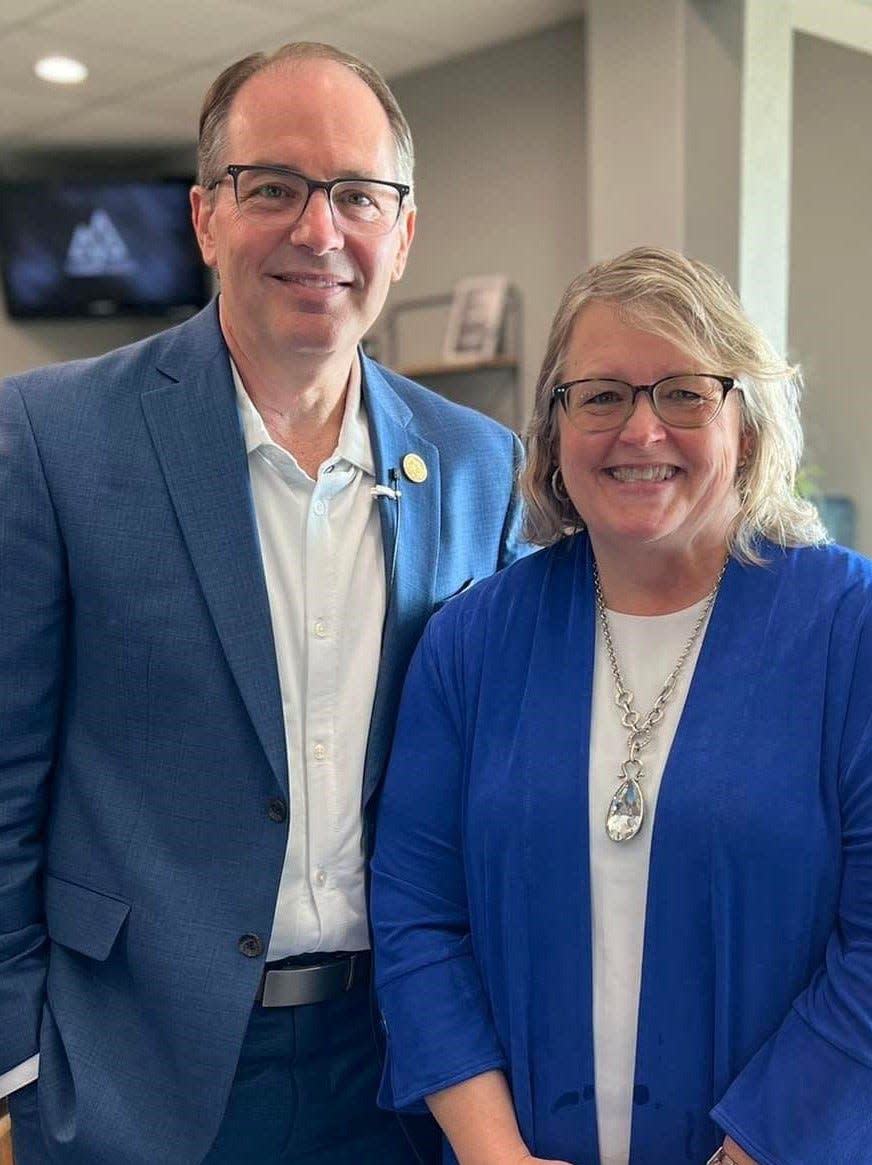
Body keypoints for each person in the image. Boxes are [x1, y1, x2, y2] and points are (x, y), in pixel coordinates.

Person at [0, 41, 526, 1165]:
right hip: (130, 1073)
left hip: (395, 1069)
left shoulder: (480, 467)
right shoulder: (51, 438)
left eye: (355, 194)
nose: (317, 230)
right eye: (272, 187)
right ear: (203, 218)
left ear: (404, 230)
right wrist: (20, 1067)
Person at [371, 246, 872, 1165]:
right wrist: (496, 1156)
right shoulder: (472, 644)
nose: (641, 431)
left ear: (747, 427)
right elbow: (416, 917)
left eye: (684, 392)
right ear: (556, 433)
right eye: (601, 396)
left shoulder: (850, 629)